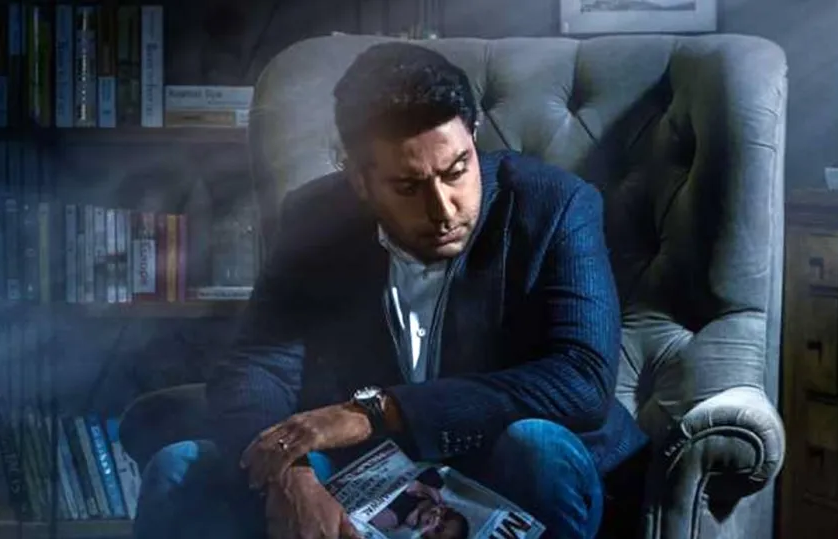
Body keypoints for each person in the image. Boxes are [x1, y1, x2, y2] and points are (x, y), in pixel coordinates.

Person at [133, 42, 649, 539]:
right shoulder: (315, 218)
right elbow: (257, 365)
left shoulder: (555, 204)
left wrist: (375, 412)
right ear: (358, 178)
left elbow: (581, 380)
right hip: (372, 482)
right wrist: (288, 471)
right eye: (408, 187)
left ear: (472, 136)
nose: (443, 209)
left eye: (457, 170)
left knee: (536, 445)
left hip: (509, 465)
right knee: (180, 469)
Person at [368, 468, 469, 538]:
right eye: (446, 516)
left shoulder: (389, 519)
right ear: (449, 508)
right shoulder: (433, 481)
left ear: (425, 536)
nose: (437, 519)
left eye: (438, 529)